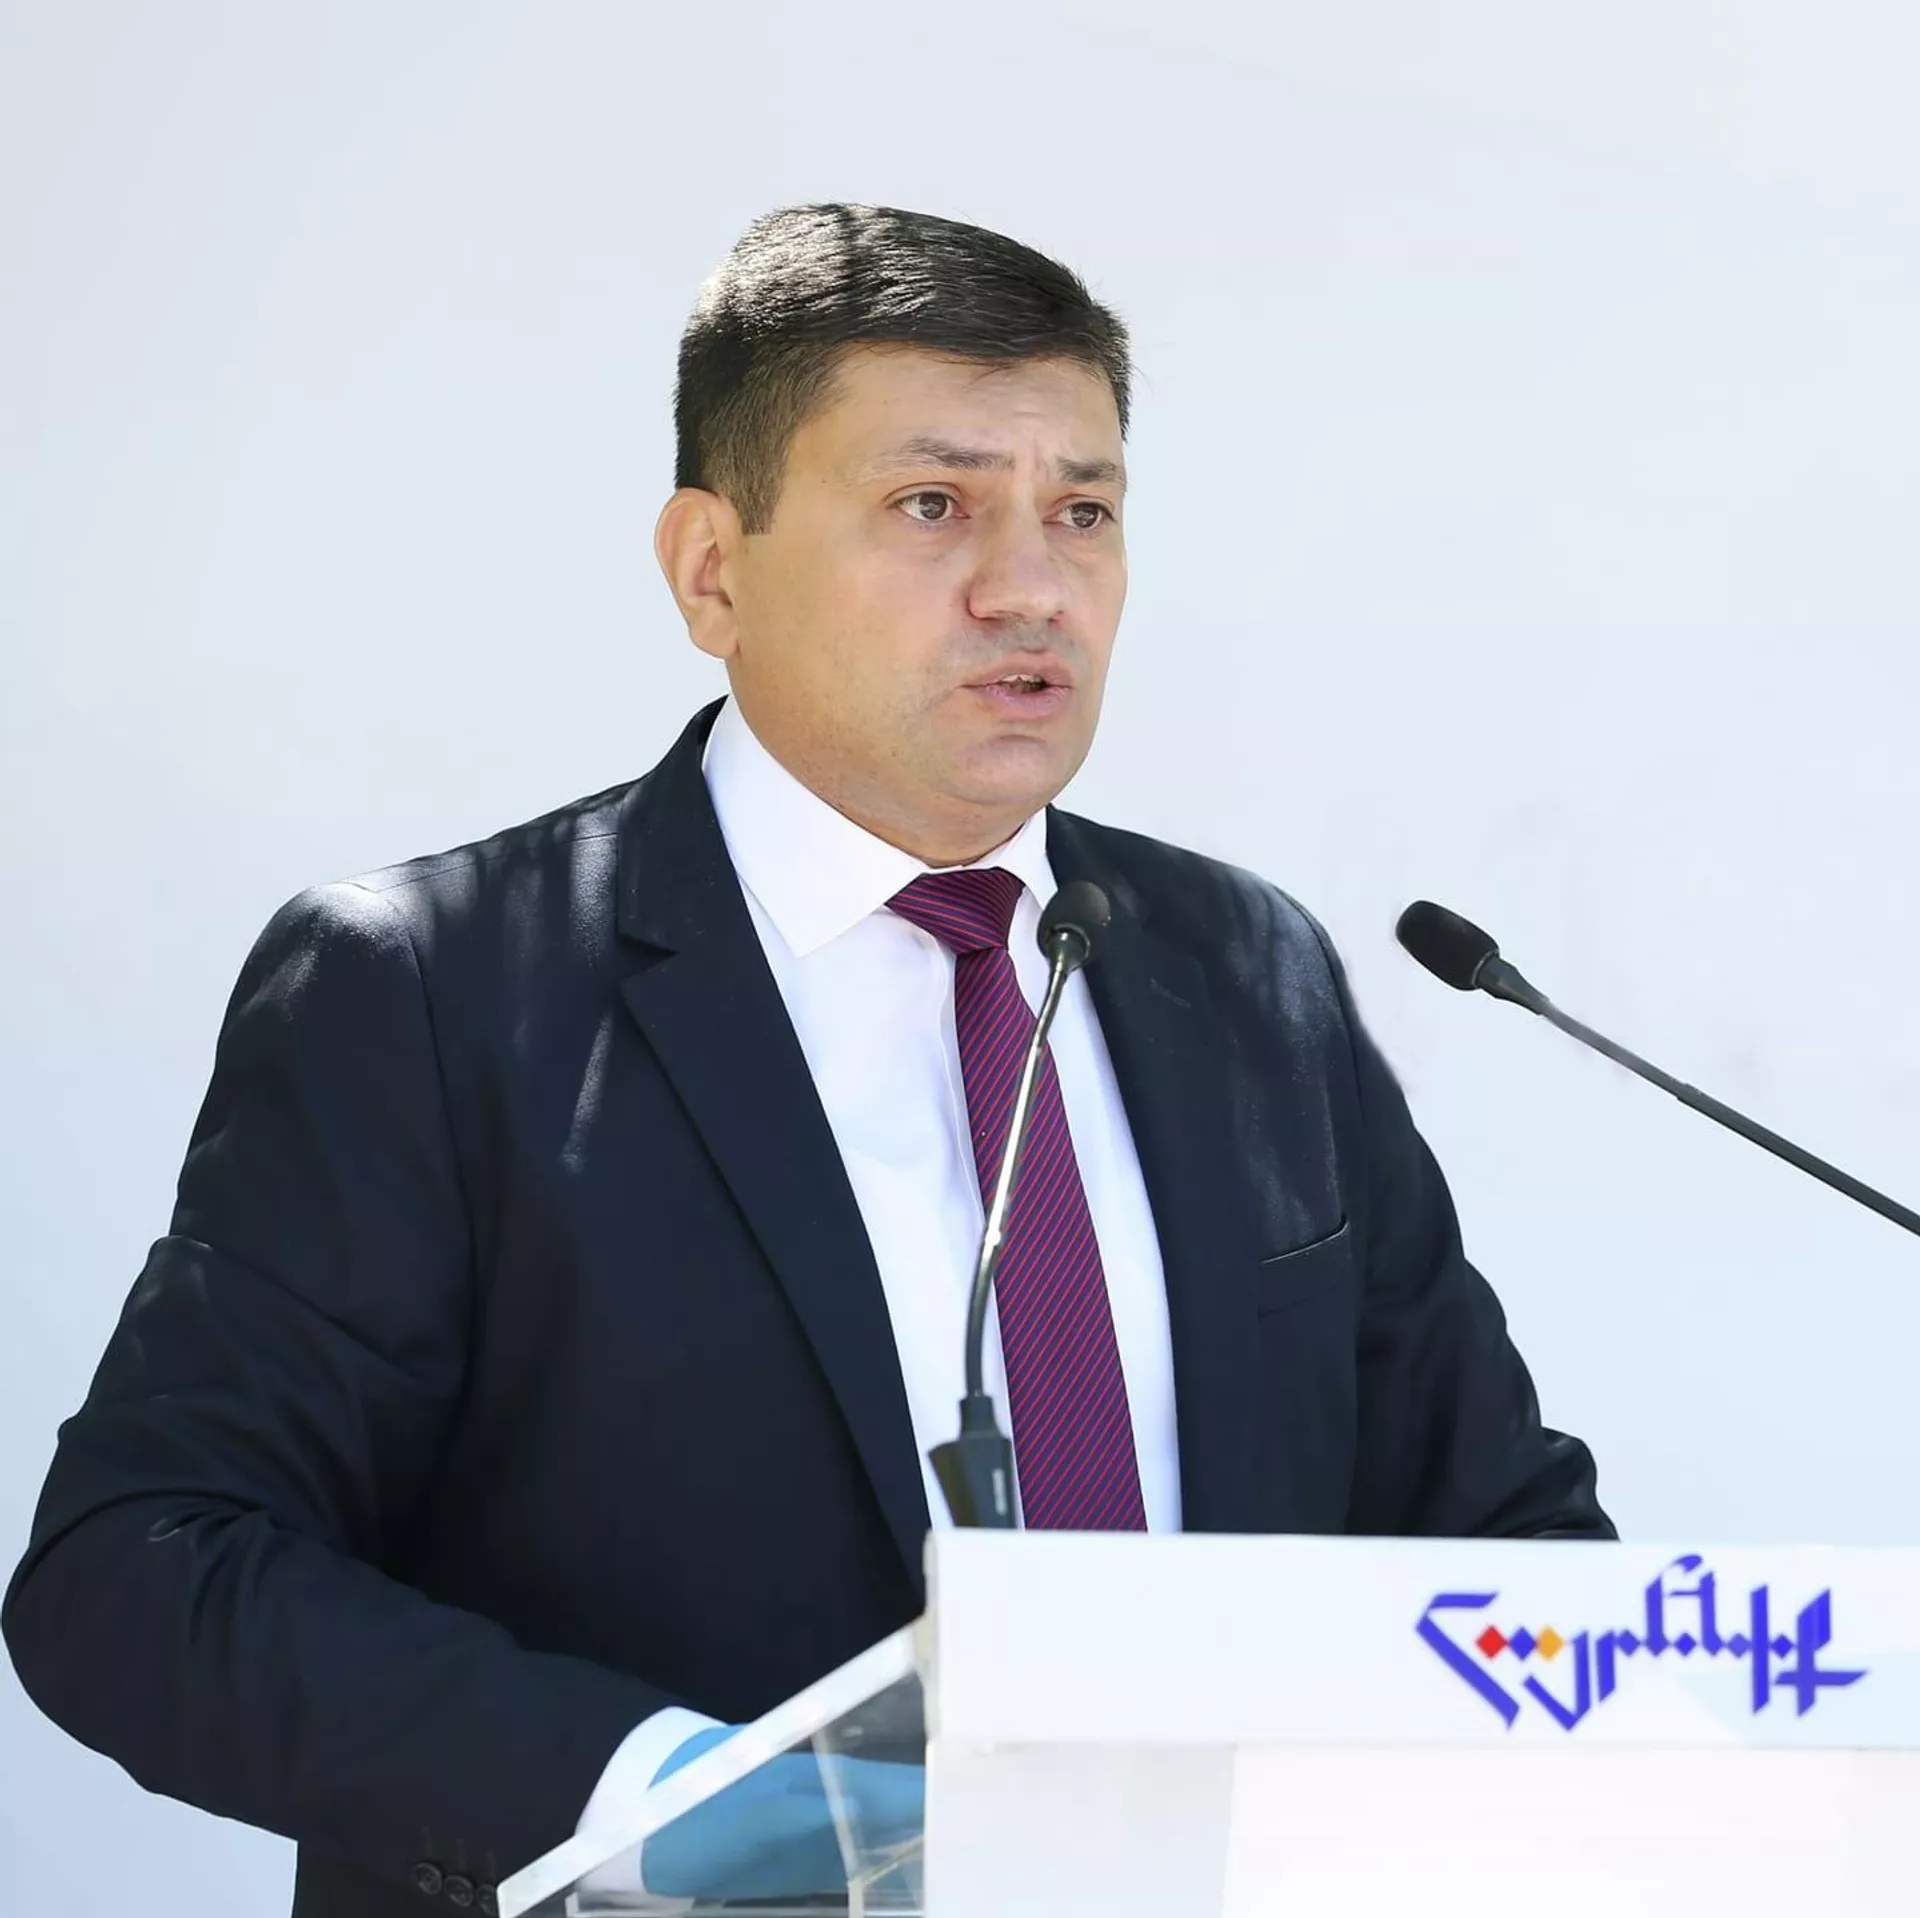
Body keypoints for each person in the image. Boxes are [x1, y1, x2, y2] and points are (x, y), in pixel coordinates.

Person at [4, 203, 1612, 1918]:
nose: (1032, 585)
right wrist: (663, 1803)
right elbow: (145, 1572)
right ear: (712, 569)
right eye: (935, 506)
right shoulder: (434, 989)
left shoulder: (1244, 967)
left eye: (1083, 511)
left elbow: (1500, 1542)